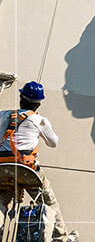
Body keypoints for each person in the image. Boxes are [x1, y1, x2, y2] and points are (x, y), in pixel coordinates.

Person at [0, 81, 78, 242]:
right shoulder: (39, 120)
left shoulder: (3, 115)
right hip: (26, 169)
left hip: (2, 168)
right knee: (49, 201)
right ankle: (61, 238)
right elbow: (53, 142)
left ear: (21, 98)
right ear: (39, 104)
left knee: (1, 201)